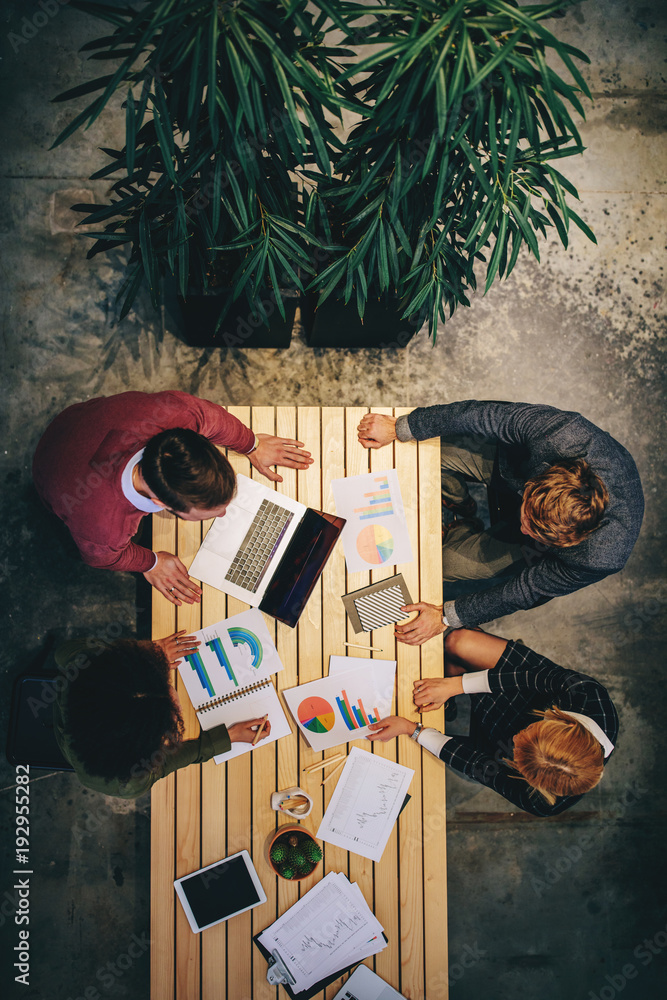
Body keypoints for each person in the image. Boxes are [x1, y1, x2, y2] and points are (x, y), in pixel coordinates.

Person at [357, 401, 643, 636]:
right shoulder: (563, 433)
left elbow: (527, 589)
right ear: (535, 484)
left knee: (441, 565)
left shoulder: (601, 558)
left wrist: (445, 617)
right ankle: (462, 504)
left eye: (533, 531)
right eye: (526, 518)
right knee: (425, 450)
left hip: (539, 539)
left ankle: (462, 529)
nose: (522, 528)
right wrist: (402, 427)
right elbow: (483, 415)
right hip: (510, 465)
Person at [33, 390, 313, 605]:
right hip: (50, 473)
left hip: (77, 419)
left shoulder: (175, 414)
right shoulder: (103, 525)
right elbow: (101, 558)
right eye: (210, 512)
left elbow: (210, 417)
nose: (224, 514)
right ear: (161, 504)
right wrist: (150, 563)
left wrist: (252, 444)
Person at [366, 629, 618, 817]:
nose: (516, 738)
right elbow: (528, 678)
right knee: (457, 644)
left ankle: (453, 701)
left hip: (493, 742)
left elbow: (482, 767)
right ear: (559, 720)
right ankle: (451, 696)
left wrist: (414, 730)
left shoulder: (541, 802)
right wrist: (454, 686)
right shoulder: (586, 695)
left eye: (518, 755)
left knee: (420, 752)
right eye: (529, 732)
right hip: (524, 687)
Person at [53, 629, 271, 798]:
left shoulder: (82, 667)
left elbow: (63, 651)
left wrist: (148, 653)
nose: (177, 704)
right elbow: (163, 764)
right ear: (143, 746)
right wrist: (226, 738)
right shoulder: (128, 783)